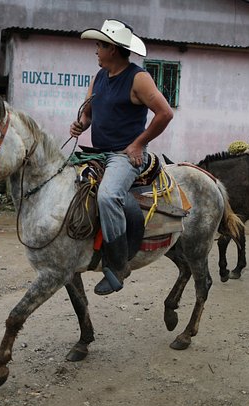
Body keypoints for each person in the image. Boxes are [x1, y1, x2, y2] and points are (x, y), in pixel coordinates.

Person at [70, 19, 174, 295]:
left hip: (123, 155)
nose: (95, 50)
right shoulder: (99, 77)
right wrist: (81, 123)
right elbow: (89, 113)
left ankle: (117, 265)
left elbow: (165, 113)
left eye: (100, 45)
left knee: (107, 196)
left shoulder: (138, 78)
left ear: (113, 49)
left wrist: (139, 143)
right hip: (96, 152)